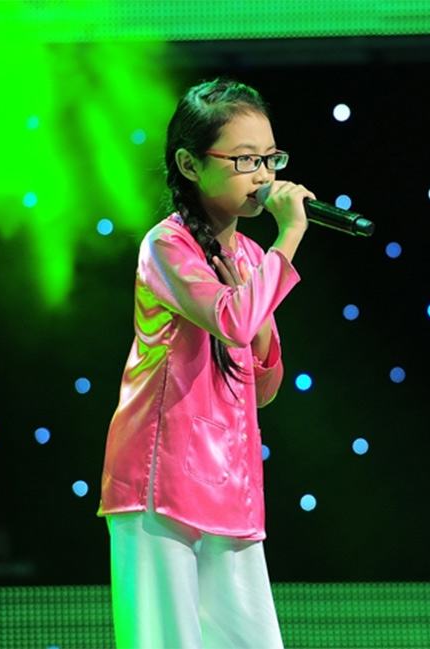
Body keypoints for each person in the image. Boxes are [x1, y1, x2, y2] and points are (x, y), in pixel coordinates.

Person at [97, 78, 315, 649]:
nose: (262, 175)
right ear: (190, 165)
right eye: (244, 159)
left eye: (269, 158)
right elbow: (231, 320)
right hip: (160, 478)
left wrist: (261, 314)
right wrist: (291, 234)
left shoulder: (249, 254)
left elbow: (263, 386)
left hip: (231, 482)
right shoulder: (166, 247)